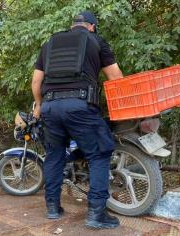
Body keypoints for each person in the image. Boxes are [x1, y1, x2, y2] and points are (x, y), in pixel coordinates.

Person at [31, 11, 124, 229]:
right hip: (80, 105)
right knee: (99, 154)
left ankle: (53, 208)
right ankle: (96, 214)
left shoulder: (50, 43)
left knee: (54, 156)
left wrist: (39, 105)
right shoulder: (96, 41)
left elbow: (36, 82)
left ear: (74, 25)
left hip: (50, 107)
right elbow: (116, 78)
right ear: (92, 26)